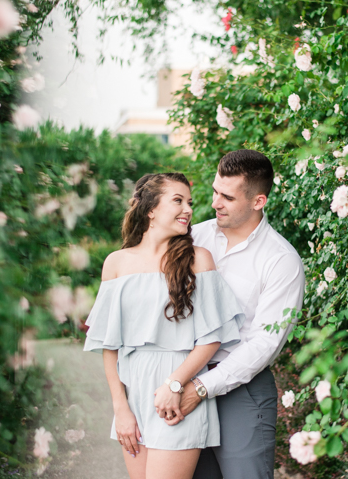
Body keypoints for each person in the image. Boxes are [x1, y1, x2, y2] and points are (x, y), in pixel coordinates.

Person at [83, 172, 245, 479]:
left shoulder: (198, 259)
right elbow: (110, 346)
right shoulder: (116, 263)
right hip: (133, 395)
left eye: (189, 202)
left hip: (177, 391)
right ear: (150, 209)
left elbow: (212, 339)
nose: (188, 209)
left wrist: (174, 385)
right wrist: (121, 408)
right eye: (177, 200)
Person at [170, 150, 306, 479]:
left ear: (258, 201)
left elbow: (264, 343)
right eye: (216, 191)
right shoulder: (191, 238)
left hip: (241, 390)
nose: (216, 202)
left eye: (228, 197)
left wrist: (202, 387)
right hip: (182, 376)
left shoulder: (281, 260)